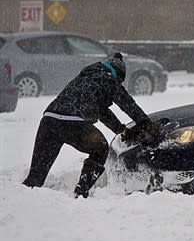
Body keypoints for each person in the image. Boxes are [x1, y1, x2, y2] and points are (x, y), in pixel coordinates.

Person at [22, 52, 153, 198]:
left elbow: (101, 110)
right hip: (75, 125)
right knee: (101, 148)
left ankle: (22, 202)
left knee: (35, 177)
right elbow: (128, 104)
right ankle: (81, 191)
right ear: (118, 74)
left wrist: (121, 130)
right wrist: (145, 123)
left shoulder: (84, 77)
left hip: (49, 122)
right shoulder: (110, 79)